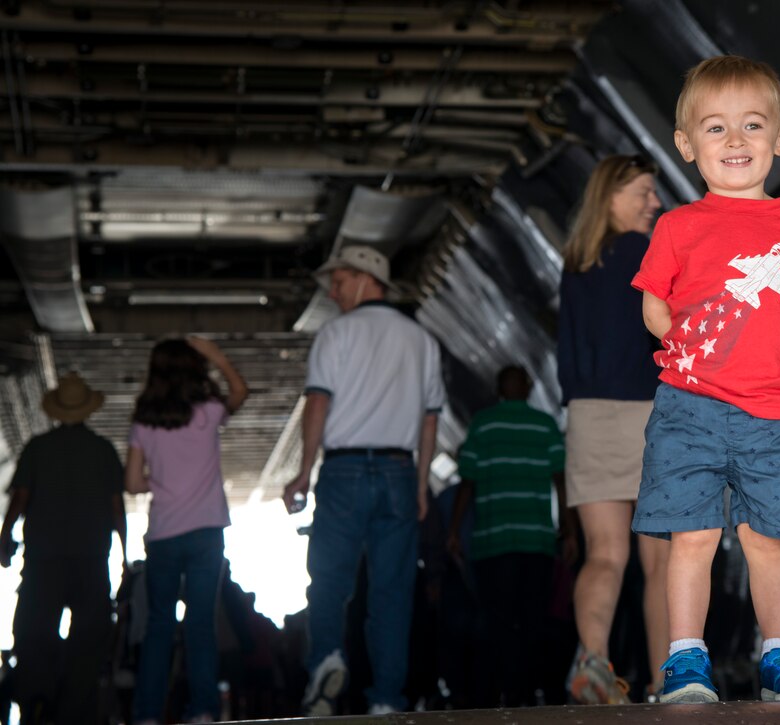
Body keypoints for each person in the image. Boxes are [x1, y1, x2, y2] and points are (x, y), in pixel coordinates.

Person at [632, 55, 780, 704]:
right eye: (715, 128)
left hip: (775, 412)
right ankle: (684, 660)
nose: (735, 141)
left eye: (753, 125)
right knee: (693, 535)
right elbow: (653, 301)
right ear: (686, 146)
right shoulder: (677, 226)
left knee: (769, 539)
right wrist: (672, 335)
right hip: (688, 409)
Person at [281, 245, 444, 716]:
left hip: (344, 471)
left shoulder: (336, 334)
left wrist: (303, 472)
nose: (332, 292)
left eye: (339, 281)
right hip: (398, 471)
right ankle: (387, 699)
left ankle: (327, 658)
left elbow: (318, 403)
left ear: (366, 279)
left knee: (330, 578)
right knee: (393, 592)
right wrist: (418, 485)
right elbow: (430, 420)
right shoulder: (422, 340)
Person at [557, 153, 671, 704]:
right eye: (643, 193)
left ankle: (593, 662)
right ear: (610, 197)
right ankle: (666, 681)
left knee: (604, 554)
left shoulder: (576, 263)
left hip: (587, 416)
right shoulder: (646, 253)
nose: (655, 203)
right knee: (661, 558)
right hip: (648, 413)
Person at [126, 337, 248, 724]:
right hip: (206, 532)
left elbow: (131, 483)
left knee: (159, 625)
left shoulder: (144, 421)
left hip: (163, 534)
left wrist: (159, 481)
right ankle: (205, 711)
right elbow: (240, 391)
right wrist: (216, 355)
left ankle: (147, 714)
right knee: (200, 623)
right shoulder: (209, 411)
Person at [0, 372, 127, 725]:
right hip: (90, 561)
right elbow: (117, 508)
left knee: (33, 631)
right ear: (87, 410)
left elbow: (20, 498)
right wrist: (125, 559)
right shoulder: (102, 450)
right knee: (88, 641)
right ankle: (76, 711)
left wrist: (4, 535)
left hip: (43, 560)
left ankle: (37, 702)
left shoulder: (37, 448)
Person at [446, 365, 575, 707]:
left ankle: (490, 695)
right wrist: (568, 528)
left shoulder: (482, 425)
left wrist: (454, 531)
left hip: (492, 541)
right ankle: (523, 694)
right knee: (532, 622)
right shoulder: (544, 425)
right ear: (529, 387)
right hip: (536, 542)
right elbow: (560, 479)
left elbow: (467, 481)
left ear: (498, 389)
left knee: (495, 621)